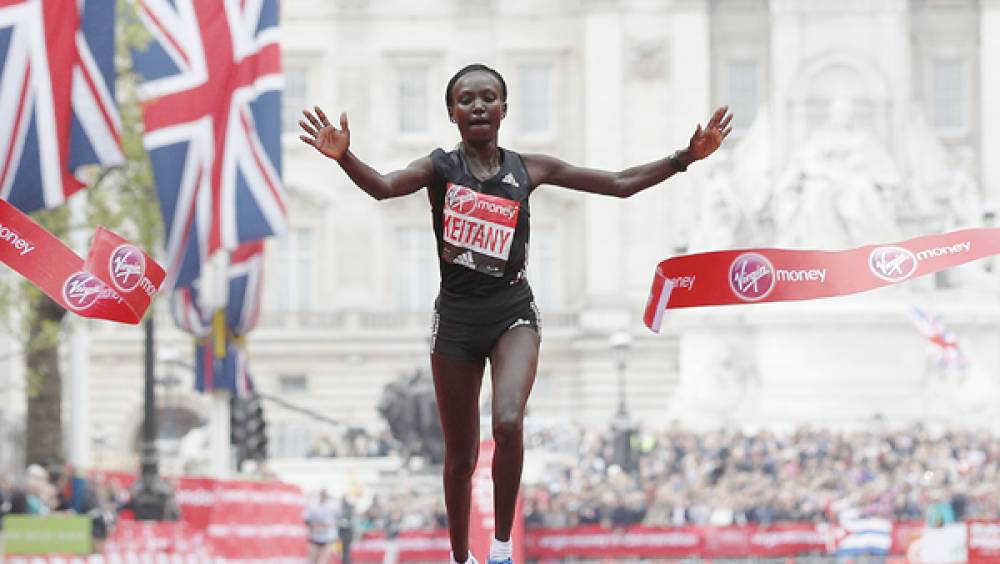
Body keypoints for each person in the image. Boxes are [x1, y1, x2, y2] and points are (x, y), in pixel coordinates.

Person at [299, 63, 731, 564]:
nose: (478, 106)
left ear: (504, 109)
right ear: (451, 113)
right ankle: (462, 557)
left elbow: (617, 183)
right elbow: (382, 186)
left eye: (488, 98)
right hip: (457, 323)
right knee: (460, 458)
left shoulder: (529, 169)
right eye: (466, 99)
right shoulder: (439, 168)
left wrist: (686, 157)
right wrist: (344, 156)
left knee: (507, 422)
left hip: (512, 314)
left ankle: (501, 549)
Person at [304, 489, 339, 564]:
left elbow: (338, 520)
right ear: (320, 495)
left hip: (328, 537)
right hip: (315, 537)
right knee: (312, 559)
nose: (323, 496)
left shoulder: (333, 507)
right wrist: (313, 526)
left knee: (323, 560)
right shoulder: (313, 506)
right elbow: (307, 520)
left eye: (325, 495)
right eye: (322, 495)